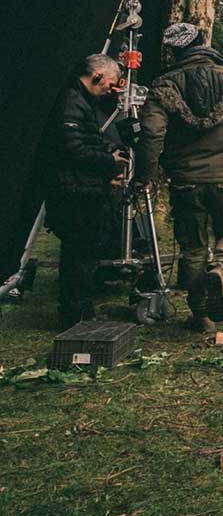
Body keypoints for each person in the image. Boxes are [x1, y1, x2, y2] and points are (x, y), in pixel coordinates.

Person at [134, 22, 223, 333]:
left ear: (173, 51)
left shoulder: (163, 86)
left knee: (193, 247)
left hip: (185, 180)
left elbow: (151, 134)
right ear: (203, 42)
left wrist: (147, 175)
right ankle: (222, 270)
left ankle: (201, 316)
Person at [42, 54, 130, 328]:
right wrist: (109, 161)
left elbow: (84, 142)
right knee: (79, 256)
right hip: (76, 191)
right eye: (110, 83)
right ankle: (74, 314)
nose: (110, 90)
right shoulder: (72, 102)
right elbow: (73, 149)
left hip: (82, 187)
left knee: (84, 254)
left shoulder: (82, 102)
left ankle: (80, 309)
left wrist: (107, 150)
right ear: (98, 76)